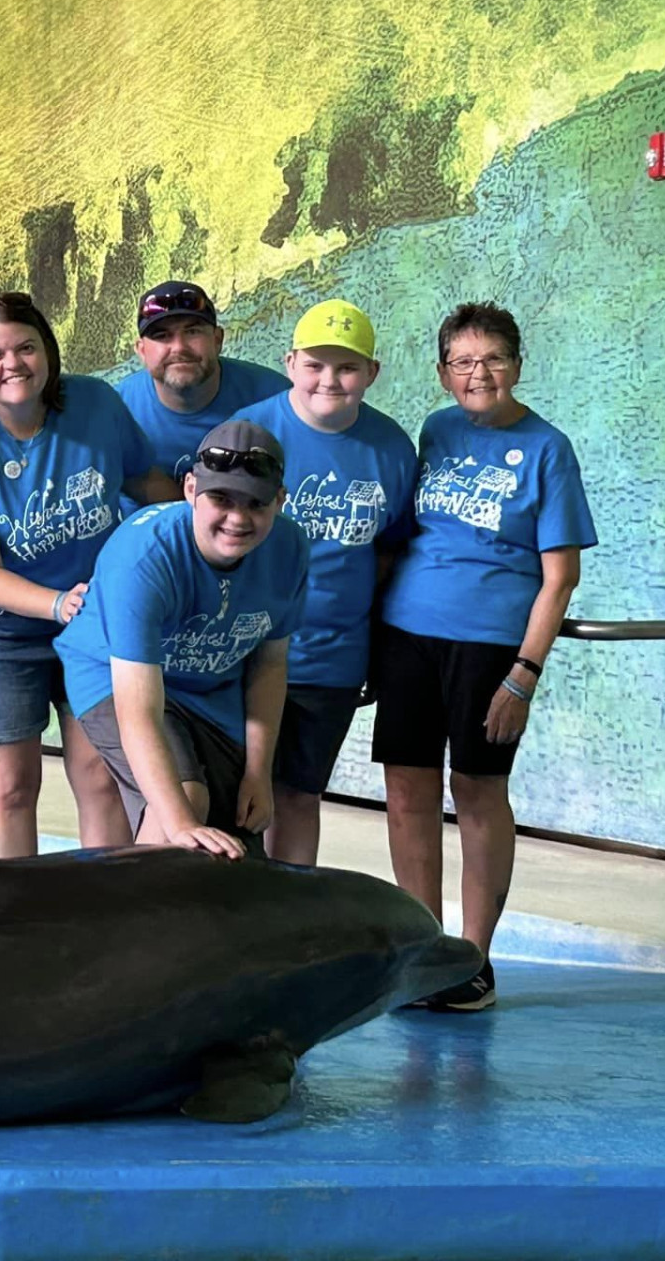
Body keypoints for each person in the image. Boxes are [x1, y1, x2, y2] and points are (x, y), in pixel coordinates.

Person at [372, 302, 596, 1010]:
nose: (479, 373)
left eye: (493, 359)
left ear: (518, 366)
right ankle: (422, 949)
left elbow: (559, 577)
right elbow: (405, 535)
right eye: (464, 362)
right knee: (406, 791)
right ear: (442, 373)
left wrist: (524, 675)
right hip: (408, 634)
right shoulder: (435, 430)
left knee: (476, 789)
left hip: (491, 645)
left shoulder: (547, 448)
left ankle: (474, 956)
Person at [0, 292, 172, 858]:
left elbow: (146, 482)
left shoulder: (94, 405)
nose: (14, 364)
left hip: (88, 615)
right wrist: (59, 604)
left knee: (99, 772)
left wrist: (199, 521)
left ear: (49, 354)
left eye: (27, 347)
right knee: (13, 786)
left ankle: (99, 916)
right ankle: (13, 924)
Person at [54, 420, 310, 860]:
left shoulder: (290, 548)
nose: (237, 518)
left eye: (256, 503)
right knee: (186, 806)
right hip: (112, 674)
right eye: (221, 499)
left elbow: (270, 663)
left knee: (239, 834)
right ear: (190, 489)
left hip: (211, 685)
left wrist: (257, 772)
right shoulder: (144, 558)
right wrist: (179, 823)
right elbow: (138, 710)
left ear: (280, 501)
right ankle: (128, 925)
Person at [230, 299, 416, 866]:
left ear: (372, 374)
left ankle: (291, 931)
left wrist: (370, 650)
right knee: (231, 800)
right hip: (243, 650)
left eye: (347, 367)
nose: (329, 380)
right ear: (290, 364)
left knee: (299, 796)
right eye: (315, 365)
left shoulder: (391, 448)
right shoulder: (252, 433)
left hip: (330, 660)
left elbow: (389, 552)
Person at [115, 280, 289, 511]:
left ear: (217, 340)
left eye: (193, 331)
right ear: (141, 350)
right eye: (162, 335)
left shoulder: (275, 398)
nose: (178, 347)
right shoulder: (118, 410)